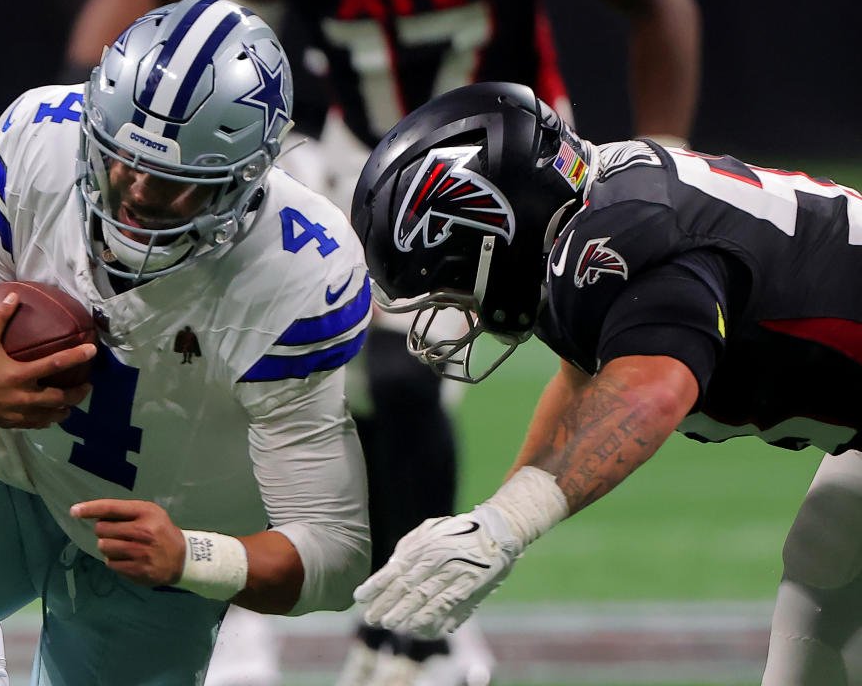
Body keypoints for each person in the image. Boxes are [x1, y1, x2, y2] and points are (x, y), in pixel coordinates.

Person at [58, 0, 701, 684]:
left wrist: (663, 163)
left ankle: (421, 633)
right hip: (357, 159)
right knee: (303, 380)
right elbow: (188, 11)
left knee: (402, 381)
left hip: (501, 173)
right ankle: (360, 611)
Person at [0, 0, 372, 685]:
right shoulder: (42, 139)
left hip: (155, 561)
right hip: (7, 480)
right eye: (120, 157)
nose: (134, 191)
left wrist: (193, 558)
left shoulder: (301, 274)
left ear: (244, 181)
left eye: (174, 182)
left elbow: (332, 553)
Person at [350, 80, 862, 685]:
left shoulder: (620, 234)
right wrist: (493, 523)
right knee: (829, 557)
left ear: (497, 224)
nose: (454, 304)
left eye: (452, 279)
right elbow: (593, 378)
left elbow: (654, 389)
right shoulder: (589, 221)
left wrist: (507, 526)